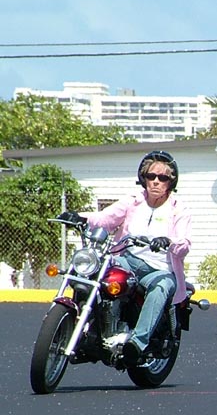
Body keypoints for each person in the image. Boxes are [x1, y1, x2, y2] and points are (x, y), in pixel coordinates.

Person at [63, 150, 192, 366]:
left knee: (161, 288)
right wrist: (79, 217)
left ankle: (137, 344)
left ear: (171, 181)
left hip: (159, 269)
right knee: (95, 270)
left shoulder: (179, 209)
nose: (156, 181)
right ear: (143, 178)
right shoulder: (133, 201)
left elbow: (184, 243)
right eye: (151, 176)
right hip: (126, 260)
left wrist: (169, 242)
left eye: (162, 177)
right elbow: (105, 219)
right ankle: (88, 329)